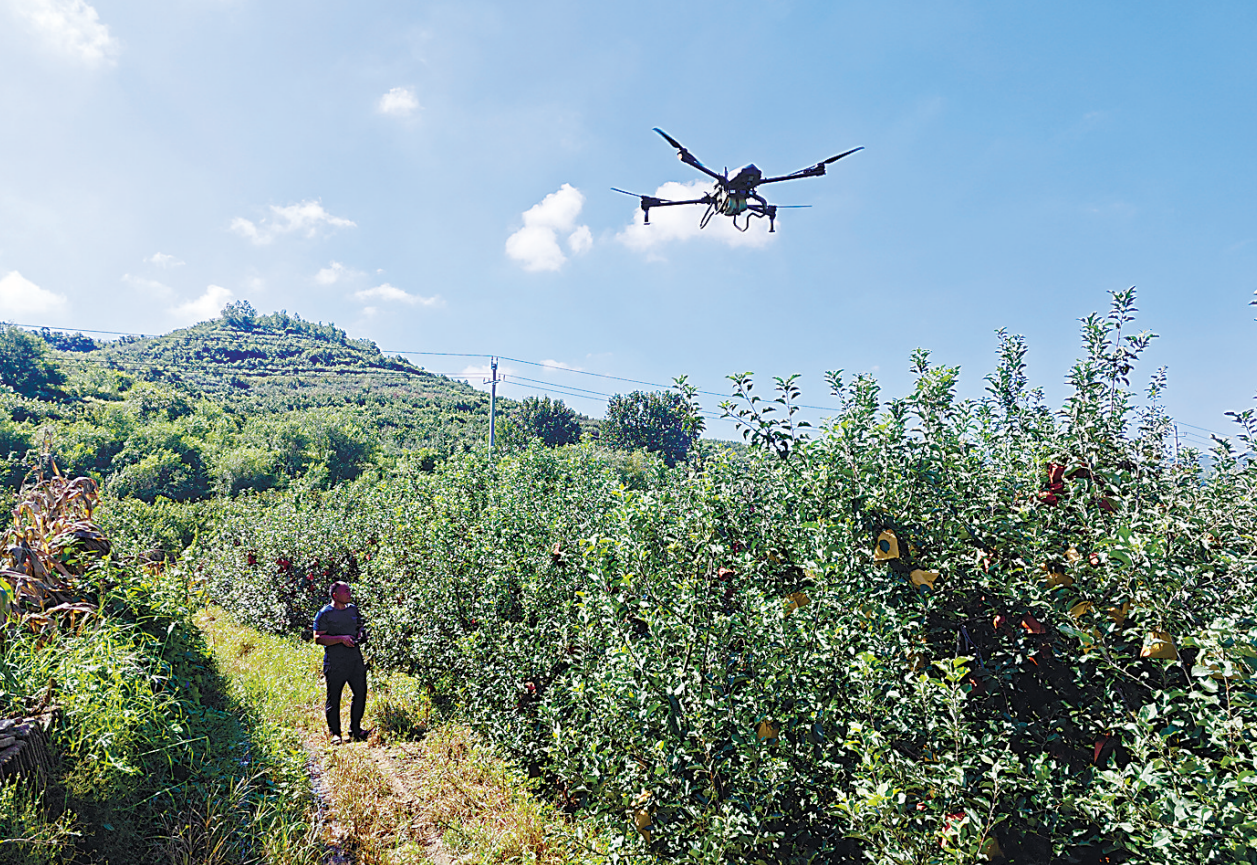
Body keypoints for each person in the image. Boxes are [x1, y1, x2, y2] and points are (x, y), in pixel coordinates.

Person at [313, 581, 369, 743]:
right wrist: (340, 639)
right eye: (346, 592)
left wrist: (360, 635)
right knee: (334, 697)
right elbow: (318, 638)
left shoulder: (353, 609)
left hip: (355, 659)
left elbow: (360, 627)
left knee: (360, 693)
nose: (349, 594)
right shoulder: (325, 613)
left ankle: (356, 730)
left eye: (349, 591)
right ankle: (335, 733)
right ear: (335, 595)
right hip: (335, 661)